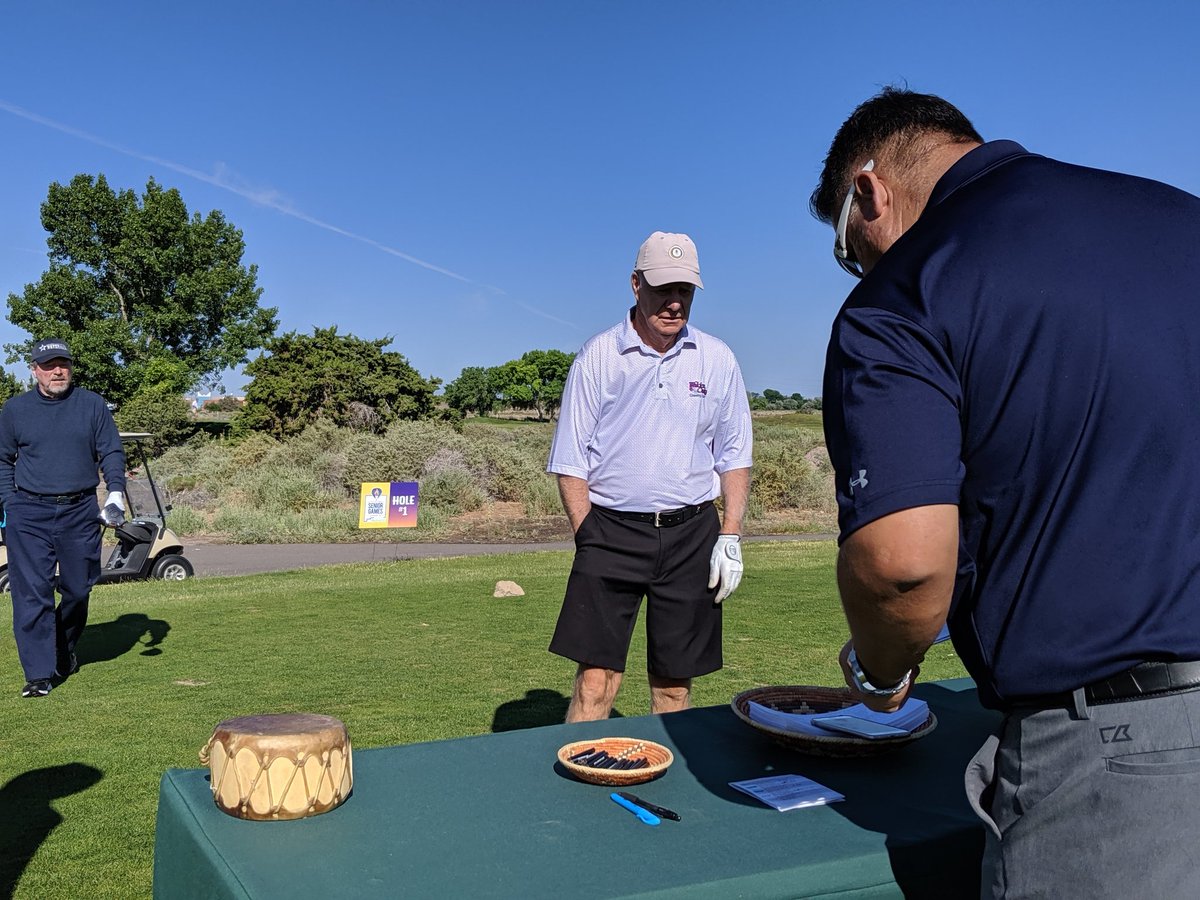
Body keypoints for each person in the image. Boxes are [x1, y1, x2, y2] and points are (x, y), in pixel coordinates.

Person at [812, 86, 1200, 897]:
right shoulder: (1179, 217)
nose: (861, 265)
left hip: (1121, 766)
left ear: (869, 192)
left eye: (852, 247)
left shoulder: (904, 294)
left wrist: (884, 675)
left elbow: (903, 568)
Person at [547, 231, 752, 722]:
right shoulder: (598, 355)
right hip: (611, 531)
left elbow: (734, 455)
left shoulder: (716, 357)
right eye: (663, 289)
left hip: (692, 535)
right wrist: (588, 535)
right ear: (636, 285)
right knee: (597, 682)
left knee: (675, 686)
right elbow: (571, 460)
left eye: (685, 290)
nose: (674, 302)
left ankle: (668, 786)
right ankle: (579, 788)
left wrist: (731, 536)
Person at [0, 338, 126, 698]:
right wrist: (10, 502)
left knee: (78, 588)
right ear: (34, 370)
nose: (58, 371)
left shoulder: (91, 405)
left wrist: (114, 492)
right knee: (31, 593)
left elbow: (111, 451)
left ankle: (62, 646)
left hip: (80, 510)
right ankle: (39, 674)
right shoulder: (15, 410)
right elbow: (1, 460)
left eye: (63, 364)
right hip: (29, 512)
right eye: (49, 365)